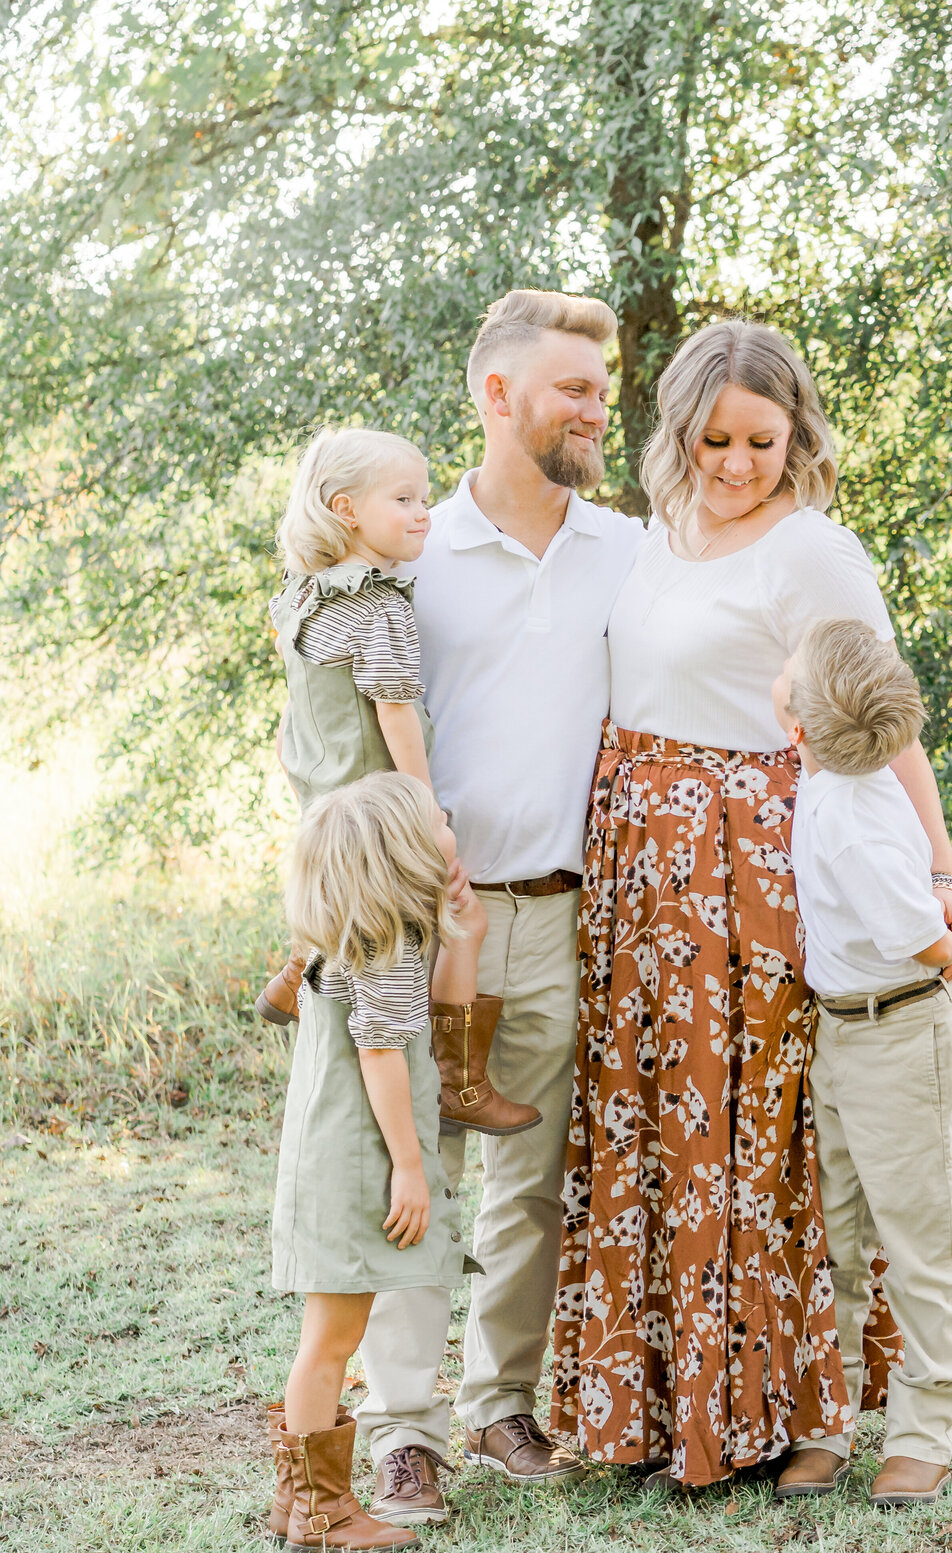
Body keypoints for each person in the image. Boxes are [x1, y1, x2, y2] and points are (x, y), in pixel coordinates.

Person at [551, 319, 952, 1491]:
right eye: (714, 437)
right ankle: (661, 1403)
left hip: (756, 875)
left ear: (797, 434)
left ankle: (799, 1410)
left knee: (762, 1140)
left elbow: (883, 720)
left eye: (762, 438)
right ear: (678, 428)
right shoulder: (648, 539)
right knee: (663, 1132)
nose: (736, 462)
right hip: (642, 875)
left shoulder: (814, 552)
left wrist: (940, 871)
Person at [354, 290, 646, 1528]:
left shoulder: (628, 550)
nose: (596, 407)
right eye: (572, 386)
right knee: (412, 1167)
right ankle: (402, 1428)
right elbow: (337, 727)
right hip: (428, 919)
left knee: (532, 1175)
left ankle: (499, 1399)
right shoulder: (411, 560)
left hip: (570, 907)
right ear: (497, 395)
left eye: (600, 386)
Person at [260, 426, 539, 1138]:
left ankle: (299, 967)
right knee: (454, 923)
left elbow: (303, 702)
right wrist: (429, 812)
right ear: (345, 507)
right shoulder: (379, 606)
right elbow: (395, 711)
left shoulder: (301, 593)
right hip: (381, 817)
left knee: (367, 926)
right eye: (405, 498)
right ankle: (460, 1082)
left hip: (325, 807)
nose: (425, 511)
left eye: (424, 495)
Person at [772, 618, 952, 1507]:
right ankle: (827, 1425)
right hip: (841, 1034)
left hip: (903, 1038)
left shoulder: (851, 810)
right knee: (837, 1242)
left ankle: (924, 1432)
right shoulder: (838, 775)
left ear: (799, 729)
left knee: (918, 1241)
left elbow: (917, 938)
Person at [268, 772, 475, 1551]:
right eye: (440, 819)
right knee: (331, 1338)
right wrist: (411, 1165)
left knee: (328, 1337)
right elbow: (383, 1052)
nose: (451, 821)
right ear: (406, 852)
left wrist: (466, 930)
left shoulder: (353, 932)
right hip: (358, 1163)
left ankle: (300, 1502)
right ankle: (323, 1512)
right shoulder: (385, 947)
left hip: (330, 1160)